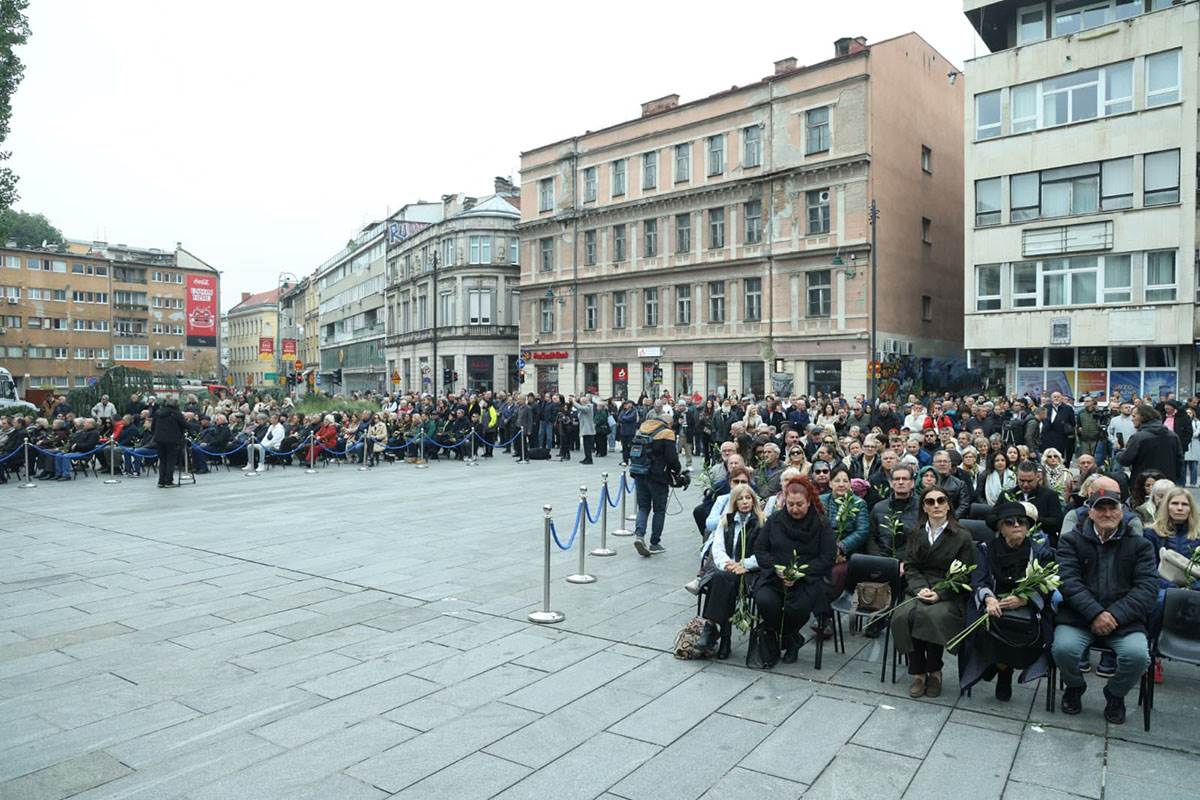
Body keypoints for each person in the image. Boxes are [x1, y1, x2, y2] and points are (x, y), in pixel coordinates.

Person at [1052, 488, 1156, 723]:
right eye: (1100, 508)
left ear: (1122, 512)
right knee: (1063, 649)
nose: (1107, 513)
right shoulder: (1071, 541)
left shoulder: (1140, 546)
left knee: (1138, 656)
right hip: (1079, 617)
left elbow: (1147, 589)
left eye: (1113, 508)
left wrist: (1114, 615)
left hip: (1124, 621)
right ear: (1090, 512)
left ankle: (1115, 693)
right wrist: (1096, 613)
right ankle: (1075, 686)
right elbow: (1068, 583)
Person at [959, 501, 1056, 701]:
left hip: (1025, 608)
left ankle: (1001, 668)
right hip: (993, 603)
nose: (1016, 526)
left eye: (1021, 522)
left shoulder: (1040, 552)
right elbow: (979, 579)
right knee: (979, 627)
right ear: (1000, 528)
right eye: (1009, 522)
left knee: (1032, 631)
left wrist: (1025, 598)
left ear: (1028, 527)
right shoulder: (986, 549)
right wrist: (988, 598)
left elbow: (1048, 584)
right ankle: (999, 666)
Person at [892, 485, 976, 699]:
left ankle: (935, 671)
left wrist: (940, 593)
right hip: (919, 587)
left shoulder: (962, 536)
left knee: (931, 616)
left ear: (948, 505)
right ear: (924, 507)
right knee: (904, 615)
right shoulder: (916, 532)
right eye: (930, 502)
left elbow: (965, 574)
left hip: (949, 591)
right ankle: (918, 673)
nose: (936, 505)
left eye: (941, 500)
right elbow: (910, 566)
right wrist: (920, 589)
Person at [750, 477, 835, 668]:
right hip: (775, 577)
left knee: (796, 608)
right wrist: (776, 570)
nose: (795, 509)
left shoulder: (821, 523)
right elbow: (760, 549)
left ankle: (786, 638)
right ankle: (791, 639)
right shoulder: (774, 520)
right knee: (765, 601)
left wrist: (798, 574)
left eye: (799, 505)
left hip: (807, 580)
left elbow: (827, 556)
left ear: (809, 502)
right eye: (790, 504)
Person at [697, 483, 765, 659]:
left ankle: (712, 628)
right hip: (726, 569)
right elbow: (717, 548)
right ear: (734, 502)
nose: (744, 502)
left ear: (753, 500)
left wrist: (743, 564)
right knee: (723, 579)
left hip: (749, 572)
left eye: (748, 498)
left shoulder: (761, 522)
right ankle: (722, 638)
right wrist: (728, 564)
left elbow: (763, 553)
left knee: (721, 582)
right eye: (740, 499)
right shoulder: (725, 521)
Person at [633, 409, 685, 557]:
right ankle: (654, 543)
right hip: (658, 476)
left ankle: (639, 536)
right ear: (669, 422)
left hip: (639, 472)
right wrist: (677, 470)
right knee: (659, 509)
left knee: (643, 507)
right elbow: (671, 458)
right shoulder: (667, 433)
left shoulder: (642, 428)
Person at [1118, 404, 1183, 484]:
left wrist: (1119, 453)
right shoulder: (1173, 436)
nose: (1132, 419)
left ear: (1142, 417)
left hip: (1143, 484)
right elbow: (1179, 461)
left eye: (1134, 416)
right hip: (1167, 482)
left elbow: (1125, 460)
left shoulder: (1138, 437)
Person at [152, 397, 186, 488]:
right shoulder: (176, 414)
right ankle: (168, 481)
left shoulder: (158, 413)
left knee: (162, 460)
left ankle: (161, 481)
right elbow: (184, 425)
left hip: (159, 439)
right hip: (172, 440)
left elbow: (153, 426)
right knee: (170, 460)